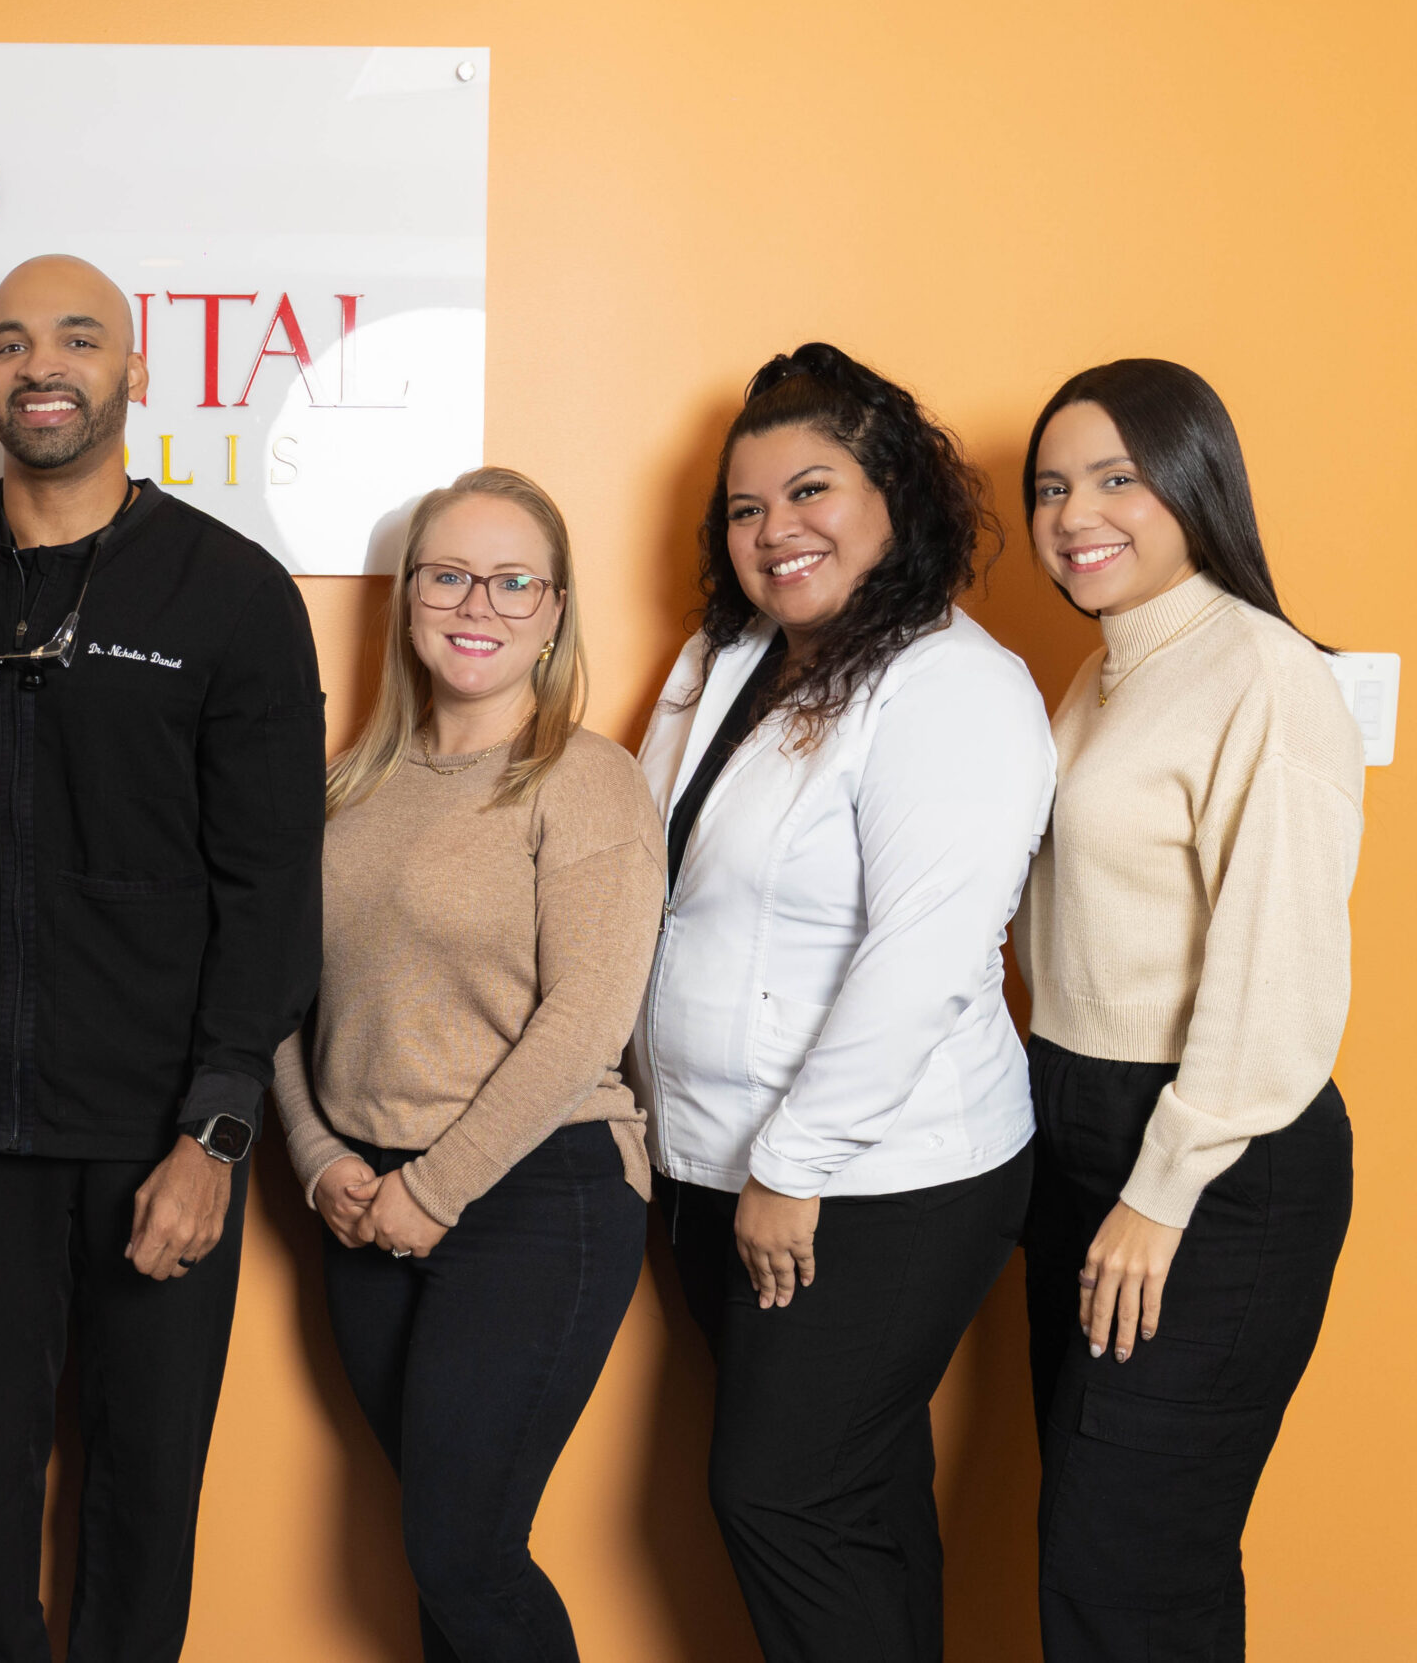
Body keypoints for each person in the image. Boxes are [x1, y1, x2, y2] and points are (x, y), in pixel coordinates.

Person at [0, 254, 326, 1663]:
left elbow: (273, 890)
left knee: (147, 1488)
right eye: (11, 342)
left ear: (134, 370)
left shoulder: (231, 593)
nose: (41, 365)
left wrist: (216, 1132)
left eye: (78, 338)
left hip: (158, 1130)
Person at [627, 343, 1054, 1663]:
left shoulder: (953, 685)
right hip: (710, 1160)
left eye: (811, 491)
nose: (775, 530)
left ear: (894, 496)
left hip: (875, 1178)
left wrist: (793, 1165)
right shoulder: (724, 654)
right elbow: (654, 876)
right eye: (745, 509)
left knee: (783, 1494)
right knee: (856, 1497)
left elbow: (925, 956)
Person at [268, 467, 661, 1663]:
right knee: (444, 1553)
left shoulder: (582, 779)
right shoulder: (347, 788)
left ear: (554, 611)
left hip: (535, 1194)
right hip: (362, 1199)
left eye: (511, 581)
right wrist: (316, 1156)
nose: (476, 604)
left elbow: (587, 1016)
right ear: (408, 598)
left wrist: (435, 1192)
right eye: (446, 575)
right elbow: (274, 995)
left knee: (460, 1552)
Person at [1016, 360, 1362, 1660]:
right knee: (1119, 1555)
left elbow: (1279, 969)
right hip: (1074, 1119)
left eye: (1116, 477)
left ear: (1194, 478)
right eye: (1051, 487)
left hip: (1213, 1154)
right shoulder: (1104, 672)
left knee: (1124, 1564)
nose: (1075, 515)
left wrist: (1161, 1190)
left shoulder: (1262, 672)